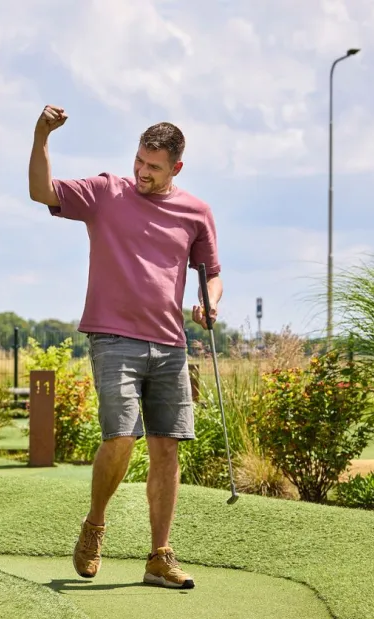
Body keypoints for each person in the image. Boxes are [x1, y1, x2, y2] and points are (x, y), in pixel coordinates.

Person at [28, 105, 223, 590]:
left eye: (154, 167)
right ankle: (95, 526)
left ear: (176, 167)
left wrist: (208, 303)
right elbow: (41, 192)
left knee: (167, 448)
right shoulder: (106, 192)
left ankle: (159, 557)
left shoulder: (196, 212)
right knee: (120, 436)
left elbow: (212, 273)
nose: (142, 171)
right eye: (139, 160)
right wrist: (41, 137)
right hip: (113, 337)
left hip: (170, 343)